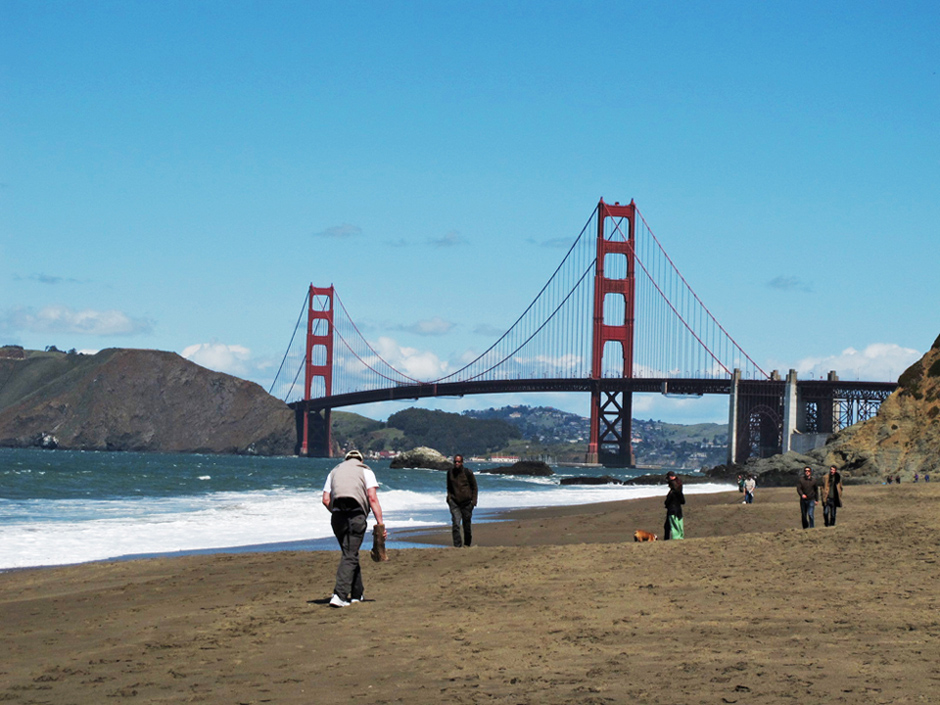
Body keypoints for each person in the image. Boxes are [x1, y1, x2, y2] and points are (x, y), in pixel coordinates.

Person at [322, 450, 386, 608]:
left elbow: (325, 500)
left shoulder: (334, 471)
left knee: (349, 553)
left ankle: (357, 594)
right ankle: (339, 595)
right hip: (356, 515)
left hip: (337, 517)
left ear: (346, 460)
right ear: (360, 460)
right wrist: (380, 523)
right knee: (350, 554)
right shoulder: (365, 470)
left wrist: (336, 512)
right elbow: (372, 497)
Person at [446, 454, 478, 547]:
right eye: (455, 461)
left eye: (459, 462)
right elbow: (449, 486)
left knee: (466, 526)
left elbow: (474, 487)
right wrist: (449, 498)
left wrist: (474, 501)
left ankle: (467, 544)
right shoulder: (450, 473)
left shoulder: (468, 473)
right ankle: (457, 546)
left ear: (462, 462)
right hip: (455, 502)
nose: (457, 463)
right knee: (456, 524)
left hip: (467, 503)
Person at [663, 471, 685, 540]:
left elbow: (667, 502)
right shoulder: (678, 491)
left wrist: (666, 503)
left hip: (673, 510)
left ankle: (675, 538)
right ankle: (670, 538)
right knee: (669, 526)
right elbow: (683, 501)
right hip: (677, 510)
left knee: (673, 526)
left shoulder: (673, 492)